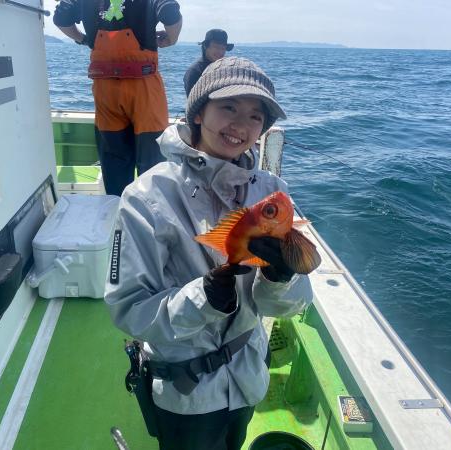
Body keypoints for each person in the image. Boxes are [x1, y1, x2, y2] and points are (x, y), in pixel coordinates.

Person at [105, 57, 314, 450]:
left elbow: (286, 307)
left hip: (249, 374)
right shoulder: (146, 197)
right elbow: (129, 310)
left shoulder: (272, 192)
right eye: (228, 107)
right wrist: (203, 298)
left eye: (255, 116)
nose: (240, 125)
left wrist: (281, 278)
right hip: (187, 393)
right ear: (198, 112)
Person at [53, 0, 183, 196]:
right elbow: (170, 11)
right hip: (144, 89)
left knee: (114, 163)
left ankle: (117, 207)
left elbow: (61, 16)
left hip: (106, 91)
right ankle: (148, 210)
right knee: (152, 161)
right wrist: (171, 38)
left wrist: (84, 39)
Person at [183, 28, 234, 97]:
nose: (220, 52)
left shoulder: (224, 69)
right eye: (216, 47)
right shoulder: (195, 71)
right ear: (205, 46)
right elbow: (192, 100)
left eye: (223, 48)